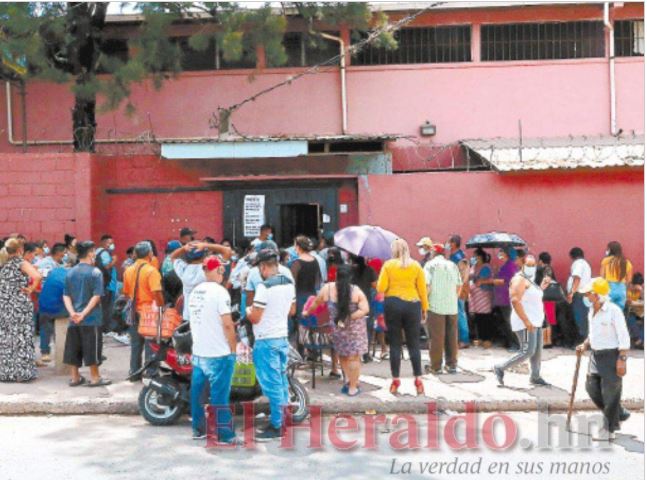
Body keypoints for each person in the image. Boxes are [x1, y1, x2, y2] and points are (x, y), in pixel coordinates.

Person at [246, 249, 296, 441]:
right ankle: (284, 420)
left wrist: (249, 311)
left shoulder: (264, 287)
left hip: (266, 340)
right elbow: (292, 310)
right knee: (281, 382)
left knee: (272, 385)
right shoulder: (288, 283)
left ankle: (277, 426)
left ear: (263, 267)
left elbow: (255, 318)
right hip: (282, 338)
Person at [187, 255, 238, 443]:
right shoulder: (220, 292)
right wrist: (233, 348)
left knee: (197, 393)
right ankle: (225, 434)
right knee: (219, 395)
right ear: (218, 270)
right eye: (221, 268)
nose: (223, 272)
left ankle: (198, 429)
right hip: (218, 353)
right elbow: (228, 324)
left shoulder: (195, 291)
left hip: (199, 351)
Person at [577, 277, 631, 441]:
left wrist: (622, 359)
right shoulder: (591, 310)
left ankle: (609, 429)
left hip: (611, 355)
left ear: (596, 294)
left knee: (610, 394)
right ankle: (618, 412)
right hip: (595, 355)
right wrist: (585, 344)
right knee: (591, 387)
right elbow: (593, 333)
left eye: (588, 293)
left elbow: (623, 336)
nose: (586, 296)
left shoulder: (614, 311)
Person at [305, 265, 369, 396]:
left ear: (336, 276)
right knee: (354, 358)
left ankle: (349, 380)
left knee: (343, 355)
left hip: (338, 330)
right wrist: (349, 317)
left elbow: (316, 303)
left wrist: (307, 312)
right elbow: (365, 309)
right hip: (355, 331)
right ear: (350, 277)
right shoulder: (356, 291)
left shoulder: (327, 289)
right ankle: (353, 387)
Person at [377, 238, 428, 395]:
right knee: (414, 344)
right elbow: (422, 289)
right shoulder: (416, 265)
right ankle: (418, 380)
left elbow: (380, 287)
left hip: (393, 304)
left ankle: (395, 380)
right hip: (413, 304)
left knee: (395, 344)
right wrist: (425, 308)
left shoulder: (388, 265)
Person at [493, 254, 551, 387]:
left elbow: (531, 296)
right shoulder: (519, 279)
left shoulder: (530, 280)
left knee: (537, 351)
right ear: (522, 265)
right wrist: (526, 321)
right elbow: (515, 300)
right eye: (528, 265)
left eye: (533, 265)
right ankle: (500, 367)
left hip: (535, 321)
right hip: (525, 322)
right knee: (528, 351)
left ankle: (535, 376)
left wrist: (542, 287)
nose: (532, 267)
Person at [63, 241, 111, 387]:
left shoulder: (70, 272)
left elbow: (66, 295)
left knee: (73, 348)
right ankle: (95, 378)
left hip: (74, 319)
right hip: (91, 318)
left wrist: (73, 313)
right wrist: (83, 314)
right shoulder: (95, 272)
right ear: (90, 253)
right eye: (93, 251)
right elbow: (96, 296)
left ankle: (75, 377)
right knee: (92, 348)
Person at [0, 238, 42, 382]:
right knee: (22, 337)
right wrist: (30, 289)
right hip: (19, 306)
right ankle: (23, 373)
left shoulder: (3, 263)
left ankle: (7, 373)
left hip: (4, 305)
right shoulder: (21, 262)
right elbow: (37, 276)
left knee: (6, 338)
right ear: (20, 250)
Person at [122, 241, 164, 380]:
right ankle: (151, 372)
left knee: (136, 343)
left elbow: (126, 293)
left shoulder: (128, 270)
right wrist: (161, 307)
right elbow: (156, 292)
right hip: (149, 311)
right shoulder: (151, 271)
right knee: (151, 343)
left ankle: (134, 372)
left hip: (133, 310)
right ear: (149, 253)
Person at [424, 243, 462, 374]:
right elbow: (459, 285)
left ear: (433, 253)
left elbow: (427, 286)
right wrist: (453, 298)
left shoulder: (430, 265)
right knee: (452, 337)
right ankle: (451, 365)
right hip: (452, 306)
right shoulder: (452, 265)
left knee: (436, 337)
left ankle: (436, 366)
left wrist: (424, 303)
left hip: (435, 306)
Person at [170, 241, 233, 321]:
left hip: (189, 317)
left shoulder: (183, 269)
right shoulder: (209, 268)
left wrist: (183, 248)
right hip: (208, 316)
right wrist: (206, 245)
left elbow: (172, 257)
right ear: (204, 254)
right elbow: (227, 251)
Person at [480, 247, 519, 349]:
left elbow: (504, 281)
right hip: (502, 298)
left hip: (507, 297)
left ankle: (515, 344)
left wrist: (489, 281)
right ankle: (509, 341)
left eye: (501, 252)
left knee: (509, 321)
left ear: (506, 254)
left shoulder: (510, 266)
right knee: (505, 321)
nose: (499, 254)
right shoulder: (505, 266)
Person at [290, 236, 322, 351]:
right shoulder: (315, 261)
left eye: (295, 245)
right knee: (312, 323)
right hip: (312, 296)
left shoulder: (296, 263)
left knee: (300, 325)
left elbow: (291, 283)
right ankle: (314, 351)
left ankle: (301, 352)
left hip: (299, 296)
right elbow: (318, 282)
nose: (294, 248)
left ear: (298, 247)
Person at [38, 265, 69, 362]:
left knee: (44, 328)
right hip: (59, 309)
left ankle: (45, 353)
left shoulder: (52, 274)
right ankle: (62, 350)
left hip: (43, 306)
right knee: (64, 326)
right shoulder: (68, 278)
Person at [350, 255, 377, 363]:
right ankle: (366, 354)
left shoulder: (350, 270)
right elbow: (375, 285)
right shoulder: (370, 270)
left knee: (353, 327)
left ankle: (354, 352)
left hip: (352, 301)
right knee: (367, 328)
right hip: (366, 301)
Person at [446, 235, 469, 349]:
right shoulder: (452, 256)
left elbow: (463, 275)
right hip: (452, 288)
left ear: (454, 244)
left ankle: (464, 340)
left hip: (458, 289)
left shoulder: (459, 257)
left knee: (460, 313)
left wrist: (459, 289)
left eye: (449, 242)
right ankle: (457, 339)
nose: (447, 244)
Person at [469, 248, 495, 348]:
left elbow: (482, 279)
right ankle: (480, 338)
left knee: (485, 318)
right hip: (475, 296)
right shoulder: (473, 266)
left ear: (480, 257)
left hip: (483, 295)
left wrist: (474, 279)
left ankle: (487, 339)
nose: (473, 257)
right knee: (478, 318)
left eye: (474, 256)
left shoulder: (485, 267)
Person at [566, 247, 593, 342]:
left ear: (572, 256)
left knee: (579, 318)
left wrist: (571, 293)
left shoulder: (578, 263)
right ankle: (585, 339)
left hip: (578, 294)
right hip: (584, 294)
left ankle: (581, 340)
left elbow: (577, 278)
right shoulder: (585, 264)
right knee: (584, 317)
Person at [601, 241, 633, 310]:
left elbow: (602, 277)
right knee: (618, 313)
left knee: (607, 311)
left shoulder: (606, 261)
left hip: (609, 288)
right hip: (622, 289)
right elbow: (629, 281)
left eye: (607, 249)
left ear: (610, 250)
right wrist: (628, 295)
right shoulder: (627, 262)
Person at [96, 234, 118, 333]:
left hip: (103, 284)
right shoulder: (104, 253)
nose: (112, 245)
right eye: (110, 243)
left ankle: (103, 328)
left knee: (104, 307)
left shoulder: (97, 252)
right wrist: (114, 261)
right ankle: (106, 329)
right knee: (107, 308)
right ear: (103, 243)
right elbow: (106, 267)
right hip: (108, 285)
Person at [537, 251, 557, 346]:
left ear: (541, 261)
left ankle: (546, 341)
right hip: (550, 296)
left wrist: (540, 289)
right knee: (548, 318)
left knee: (545, 318)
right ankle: (547, 341)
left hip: (545, 297)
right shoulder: (549, 268)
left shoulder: (546, 269)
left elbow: (546, 280)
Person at [626, 273, 644, 349]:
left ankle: (641, 340)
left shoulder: (642, 289)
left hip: (640, 311)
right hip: (631, 311)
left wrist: (642, 291)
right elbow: (626, 300)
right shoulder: (628, 287)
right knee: (630, 318)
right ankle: (639, 339)